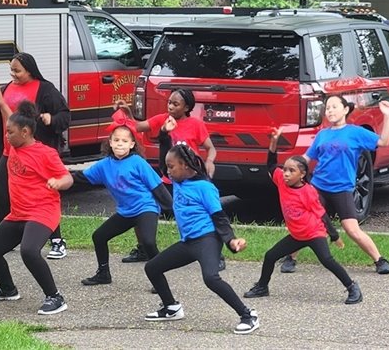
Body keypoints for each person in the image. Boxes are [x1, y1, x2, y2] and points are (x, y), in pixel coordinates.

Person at [144, 143, 259, 335]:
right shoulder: (178, 182)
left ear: (186, 166)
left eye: (171, 167)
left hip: (207, 239)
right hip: (188, 242)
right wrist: (165, 134)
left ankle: (248, 315)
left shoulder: (205, 187)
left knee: (211, 278)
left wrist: (231, 240)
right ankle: (171, 308)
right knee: (152, 268)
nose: (167, 171)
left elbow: (219, 216)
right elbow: (166, 155)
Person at [0, 90, 73, 315]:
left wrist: (58, 183)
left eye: (10, 133)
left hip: (43, 212)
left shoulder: (45, 153)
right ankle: (8, 289)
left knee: (29, 251)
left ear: (26, 132)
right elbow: (11, 119)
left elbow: (68, 178)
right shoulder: (14, 144)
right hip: (18, 214)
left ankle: (55, 297)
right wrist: (2, 105)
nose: (7, 136)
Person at [243, 127, 363, 304]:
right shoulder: (282, 182)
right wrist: (273, 143)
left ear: (302, 175)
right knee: (270, 256)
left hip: (313, 233)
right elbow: (270, 164)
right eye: (285, 170)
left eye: (291, 171)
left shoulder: (308, 192)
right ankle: (262, 287)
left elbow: (321, 214)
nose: (286, 174)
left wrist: (334, 236)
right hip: (296, 235)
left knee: (327, 260)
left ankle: (353, 287)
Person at [0, 53, 70, 259]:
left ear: (30, 71)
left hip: (35, 155)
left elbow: (65, 115)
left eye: (17, 70)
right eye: (11, 70)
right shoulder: (9, 87)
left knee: (43, 198)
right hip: (10, 152)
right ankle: (9, 237)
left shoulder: (45, 89)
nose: (13, 74)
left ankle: (57, 241)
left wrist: (51, 119)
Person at [280, 95, 389, 275]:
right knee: (306, 223)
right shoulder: (323, 134)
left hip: (342, 188)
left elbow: (383, 142)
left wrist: (388, 116)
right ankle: (290, 258)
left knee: (351, 229)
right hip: (318, 187)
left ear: (345, 109)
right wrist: (288, 169)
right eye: (327, 108)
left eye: (334, 107)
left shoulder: (356, 132)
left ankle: (379, 260)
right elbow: (306, 159)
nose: (330, 111)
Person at [115, 89, 221, 267]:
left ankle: (216, 255)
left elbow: (211, 148)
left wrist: (210, 161)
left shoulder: (195, 124)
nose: (170, 106)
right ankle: (143, 248)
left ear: (187, 107)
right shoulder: (163, 119)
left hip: (190, 180)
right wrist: (129, 113)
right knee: (142, 205)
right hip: (168, 179)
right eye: (169, 102)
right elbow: (137, 127)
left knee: (203, 215)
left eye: (176, 104)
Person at [75, 109, 172, 287]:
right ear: (110, 143)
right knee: (99, 236)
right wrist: (57, 180)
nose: (120, 144)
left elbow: (157, 187)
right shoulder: (104, 165)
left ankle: (159, 280)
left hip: (146, 208)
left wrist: (173, 209)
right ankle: (103, 274)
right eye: (116, 140)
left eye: (125, 141)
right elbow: (80, 178)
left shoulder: (138, 163)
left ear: (132, 144)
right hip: (126, 212)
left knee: (149, 242)